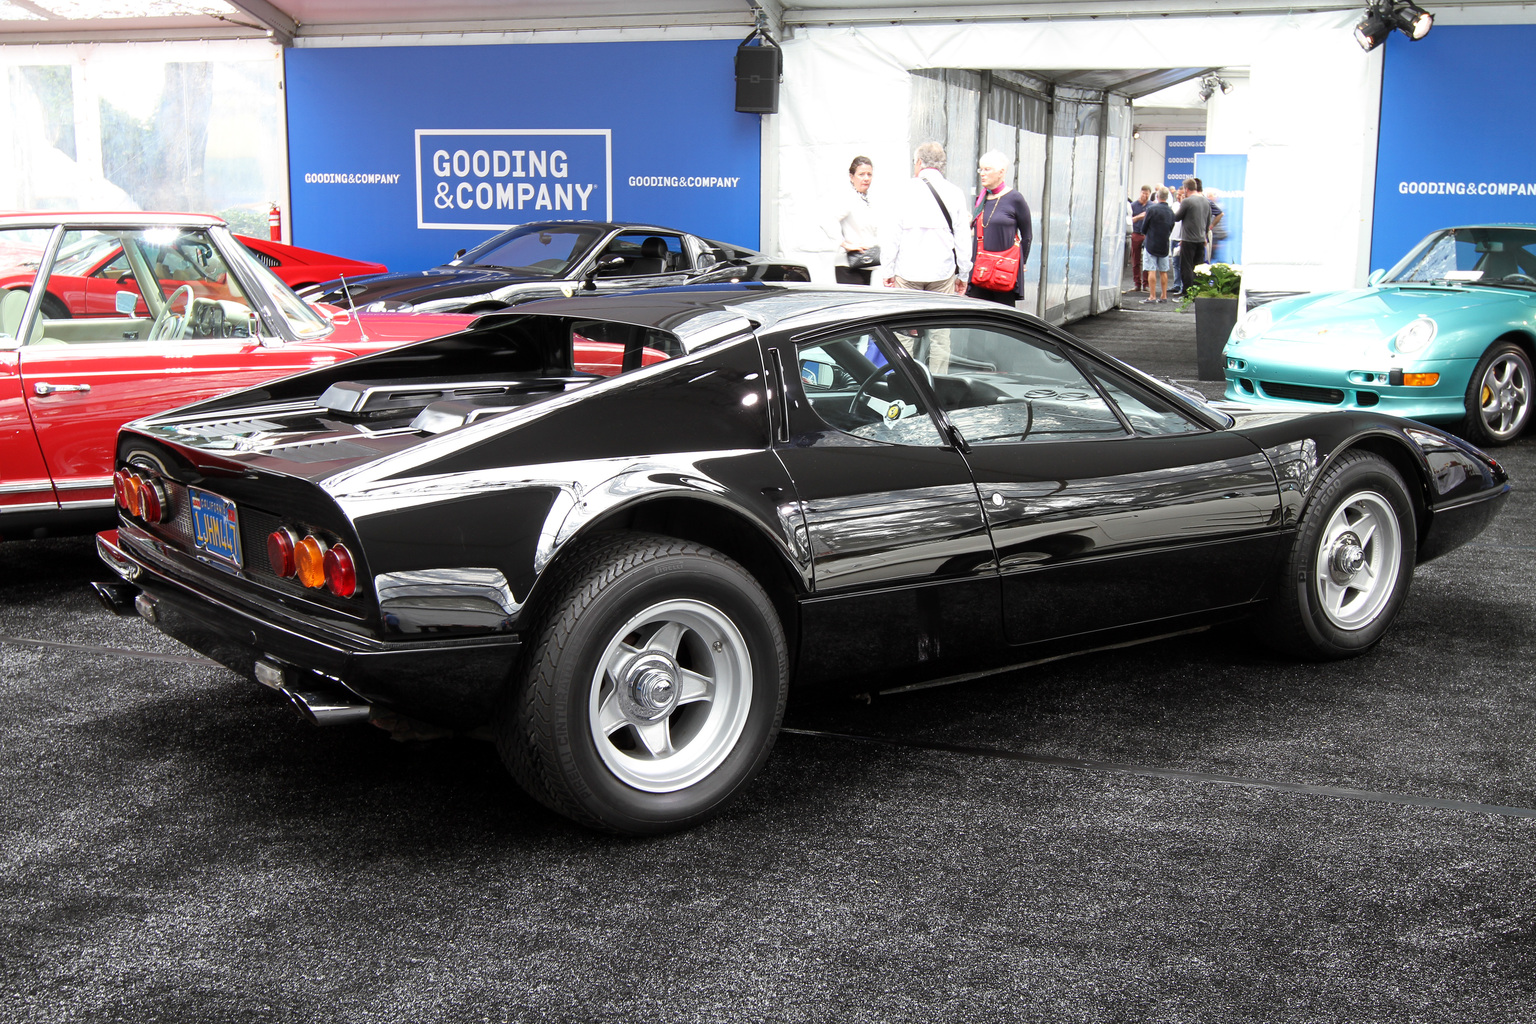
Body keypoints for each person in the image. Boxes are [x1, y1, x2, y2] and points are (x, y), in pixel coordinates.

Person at [883, 141, 971, 295]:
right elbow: (962, 238)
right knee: (940, 311)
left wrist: (887, 270)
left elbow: (892, 236)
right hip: (942, 272)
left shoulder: (902, 191)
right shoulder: (955, 193)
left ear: (919, 162)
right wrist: (963, 274)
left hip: (908, 272)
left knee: (908, 311)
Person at [966, 150, 1031, 307]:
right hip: (981, 269)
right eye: (981, 169)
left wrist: (1021, 262)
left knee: (1002, 315)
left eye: (987, 169)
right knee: (976, 314)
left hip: (1004, 271)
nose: (982, 174)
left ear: (1001, 172)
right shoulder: (981, 199)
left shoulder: (1015, 199)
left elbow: (1027, 235)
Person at [831, 156, 880, 284]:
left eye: (869, 174)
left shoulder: (867, 199)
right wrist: (845, 244)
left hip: (865, 263)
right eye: (861, 174)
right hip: (848, 265)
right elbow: (827, 220)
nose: (866, 178)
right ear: (851, 177)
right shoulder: (848, 198)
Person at [1172, 177, 1211, 301]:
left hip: (1188, 239)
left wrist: (1180, 203)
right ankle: (1197, 294)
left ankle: (1187, 294)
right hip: (1201, 239)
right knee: (1198, 268)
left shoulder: (1187, 201)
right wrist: (1204, 236)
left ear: (1186, 189)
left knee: (1186, 267)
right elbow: (1208, 221)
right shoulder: (1205, 201)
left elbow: (1177, 217)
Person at [1139, 186, 1175, 304]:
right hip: (1164, 243)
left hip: (1151, 243)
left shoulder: (1151, 209)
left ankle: (1152, 296)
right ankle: (1164, 296)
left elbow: (1144, 228)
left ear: (1157, 196)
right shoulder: (1170, 211)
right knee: (1163, 271)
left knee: (1151, 270)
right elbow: (1171, 226)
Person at [1128, 185, 1151, 292]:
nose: (1144, 196)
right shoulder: (1133, 205)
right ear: (1140, 193)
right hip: (1136, 233)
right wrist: (1138, 217)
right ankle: (1137, 283)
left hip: (1147, 235)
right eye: (1143, 193)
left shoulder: (1151, 206)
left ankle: (1146, 284)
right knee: (1136, 260)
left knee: (1147, 260)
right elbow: (1129, 220)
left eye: (1147, 194)